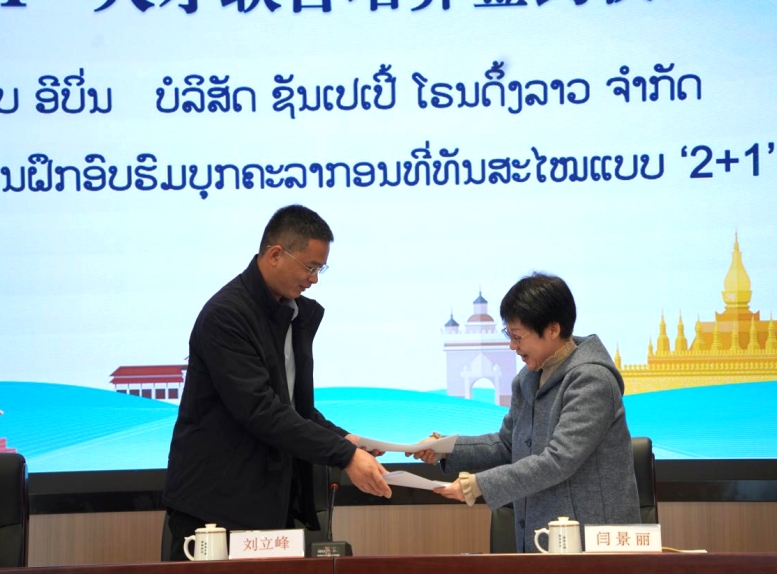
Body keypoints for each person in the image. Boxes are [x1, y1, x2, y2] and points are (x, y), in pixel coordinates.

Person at [162, 204, 391, 561]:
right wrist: (344, 455)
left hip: (266, 505)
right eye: (310, 267)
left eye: (320, 269)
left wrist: (344, 439)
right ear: (275, 255)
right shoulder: (227, 315)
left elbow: (291, 407)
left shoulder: (290, 313)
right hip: (215, 510)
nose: (314, 279)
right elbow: (260, 409)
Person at [409, 273, 639, 552]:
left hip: (594, 547)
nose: (512, 346)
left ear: (552, 329)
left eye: (518, 336)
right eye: (509, 335)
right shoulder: (528, 379)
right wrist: (445, 448)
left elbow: (559, 460)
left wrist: (478, 485)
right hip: (543, 538)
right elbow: (508, 444)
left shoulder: (591, 380)